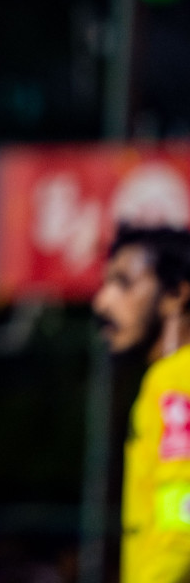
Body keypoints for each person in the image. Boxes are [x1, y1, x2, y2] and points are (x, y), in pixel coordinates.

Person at [92, 225, 190, 583]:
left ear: (176, 295)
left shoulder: (176, 382)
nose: (102, 302)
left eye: (124, 284)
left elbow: (182, 523)